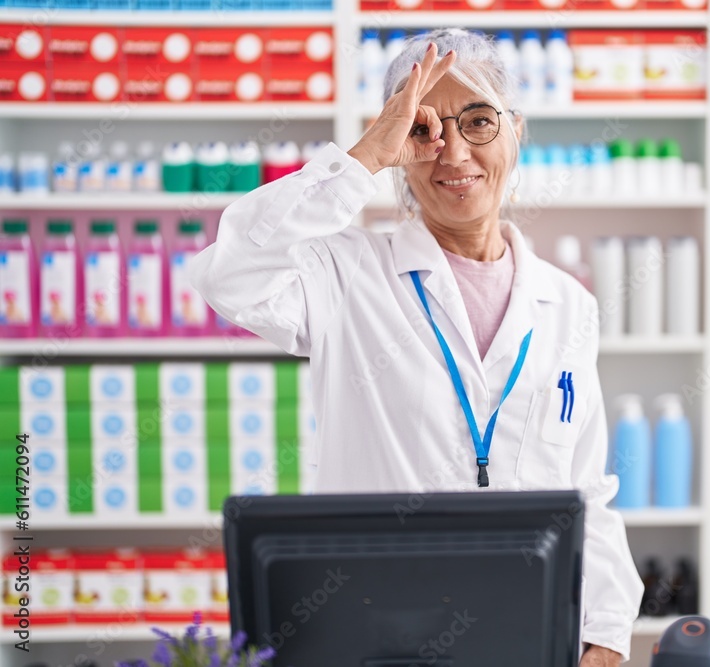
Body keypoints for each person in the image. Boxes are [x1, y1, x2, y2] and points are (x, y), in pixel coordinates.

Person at [189, 28, 642, 666]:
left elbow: (587, 490)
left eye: (478, 122)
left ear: (515, 130)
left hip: (529, 634)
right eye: (425, 128)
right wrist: (363, 159)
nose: (453, 152)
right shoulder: (345, 274)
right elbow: (227, 274)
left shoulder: (568, 305)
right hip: (374, 635)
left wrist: (607, 634)